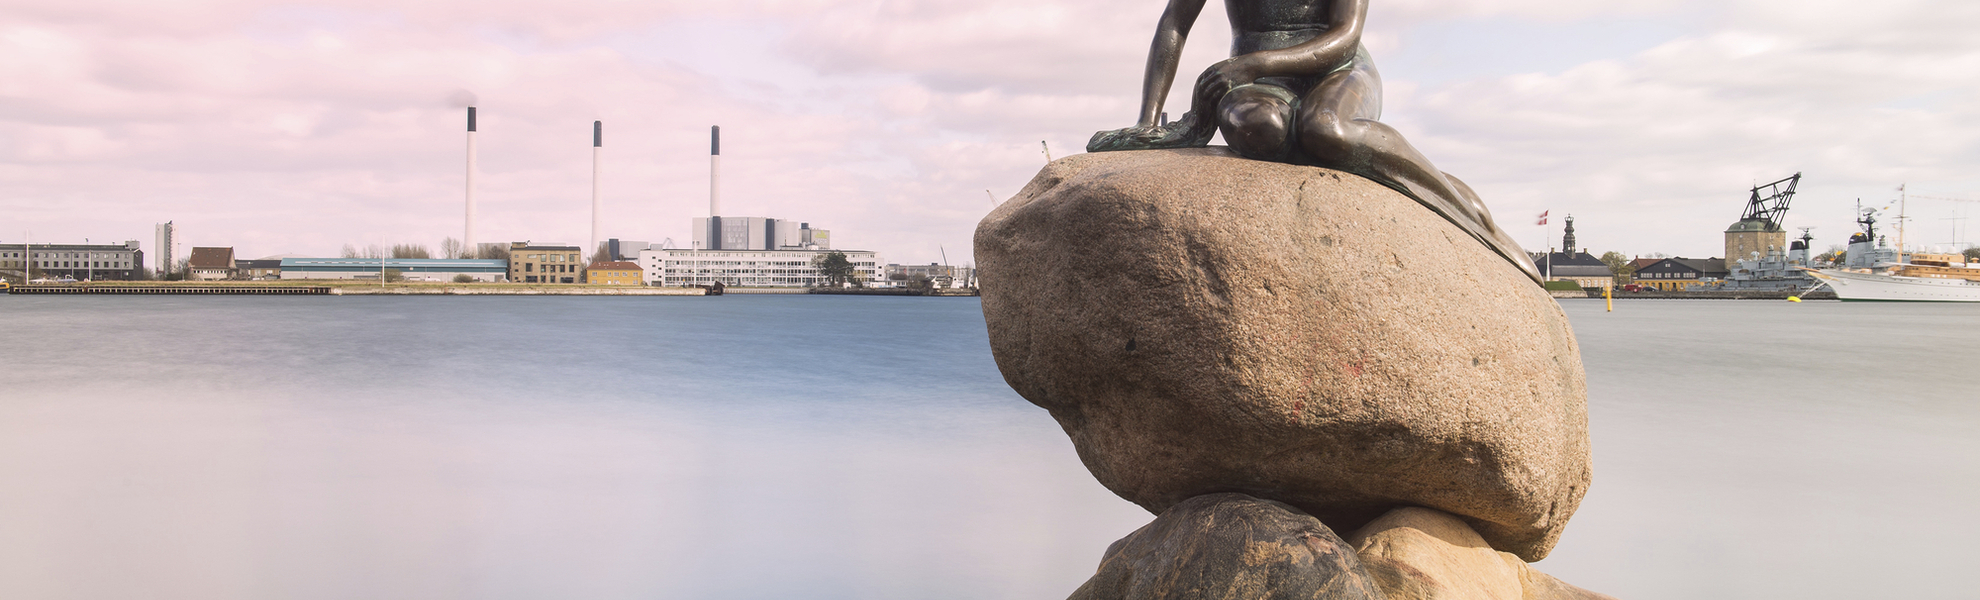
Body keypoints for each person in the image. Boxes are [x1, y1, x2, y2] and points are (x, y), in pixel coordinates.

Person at [1088, 0, 1541, 283]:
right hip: (1260, 78)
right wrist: (1147, 121)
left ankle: (1462, 208)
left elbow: (1345, 37)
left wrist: (1253, 64)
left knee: (1326, 129)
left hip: (1338, 69)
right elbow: (1174, 23)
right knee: (1259, 128)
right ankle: (1372, 159)